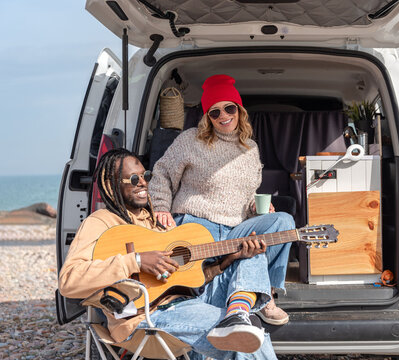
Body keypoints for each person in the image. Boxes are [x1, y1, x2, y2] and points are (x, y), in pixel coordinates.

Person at [58, 148, 278, 359]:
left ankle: (237, 312)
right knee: (246, 338)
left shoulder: (157, 223)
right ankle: (236, 319)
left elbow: (183, 278)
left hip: (186, 301)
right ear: (111, 184)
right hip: (147, 315)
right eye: (134, 179)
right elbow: (69, 281)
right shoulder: (101, 222)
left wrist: (228, 261)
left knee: (253, 256)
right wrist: (135, 261)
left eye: (145, 175)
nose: (143, 182)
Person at [149, 74, 294, 326]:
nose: (223, 115)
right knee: (212, 266)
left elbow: (248, 197)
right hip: (196, 224)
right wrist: (161, 207)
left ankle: (266, 294)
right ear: (207, 117)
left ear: (239, 110)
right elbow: (161, 173)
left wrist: (257, 209)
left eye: (229, 108)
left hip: (235, 228)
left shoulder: (250, 149)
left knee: (283, 221)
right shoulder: (190, 140)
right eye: (214, 112)